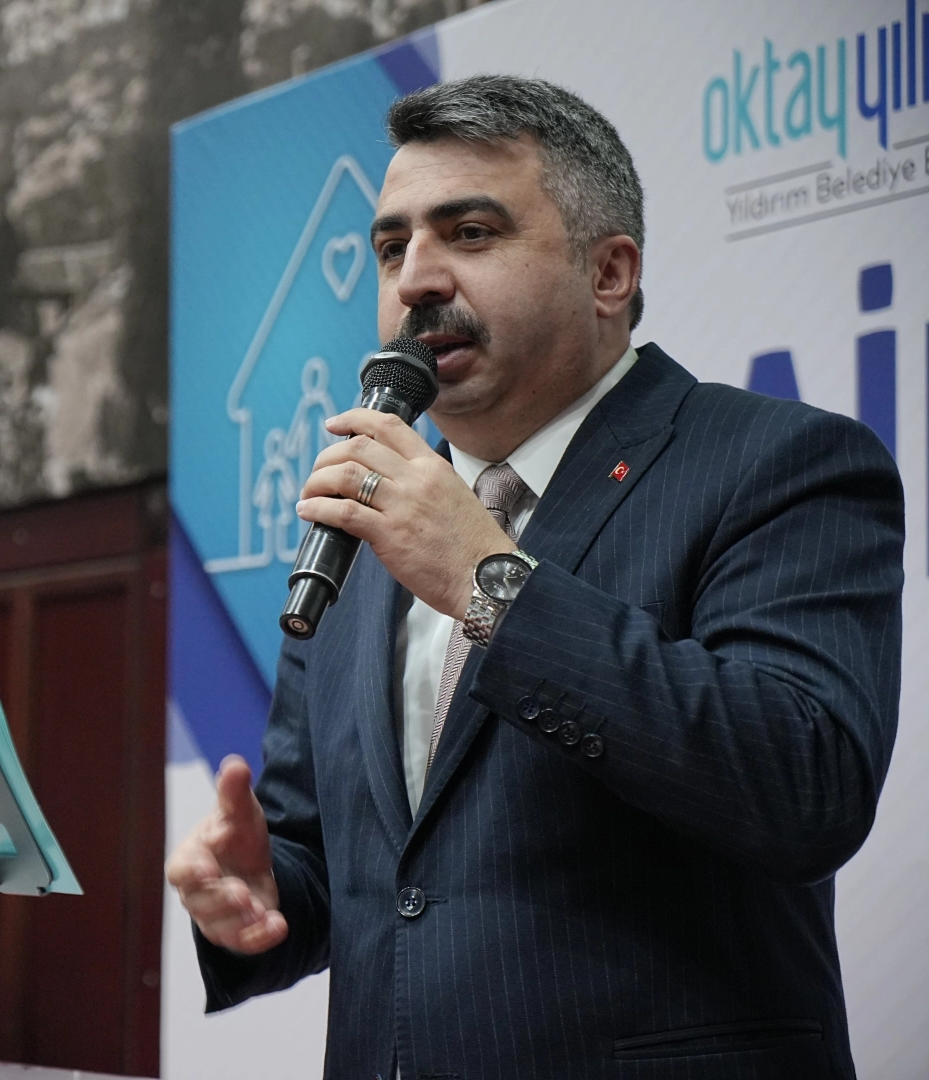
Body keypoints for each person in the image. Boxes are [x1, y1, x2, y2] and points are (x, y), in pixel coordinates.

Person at [166, 74, 903, 1079]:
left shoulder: (779, 463)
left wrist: (486, 579)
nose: (415, 280)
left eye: (469, 233)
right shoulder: (367, 529)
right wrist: (261, 894)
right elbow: (349, 876)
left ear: (609, 272)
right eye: (391, 247)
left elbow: (805, 784)